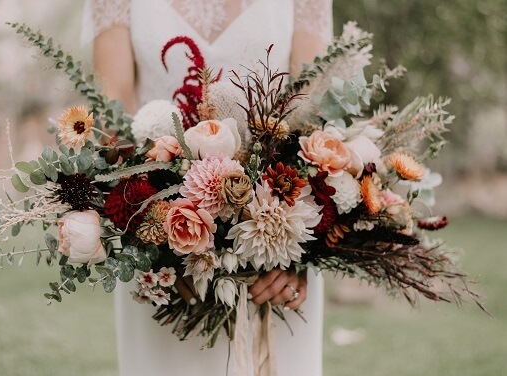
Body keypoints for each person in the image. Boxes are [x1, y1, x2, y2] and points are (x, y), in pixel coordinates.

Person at [83, 0, 333, 374]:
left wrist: (300, 252)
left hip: (276, 255)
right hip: (163, 259)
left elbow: (312, 117)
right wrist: (162, 245)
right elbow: (110, 121)